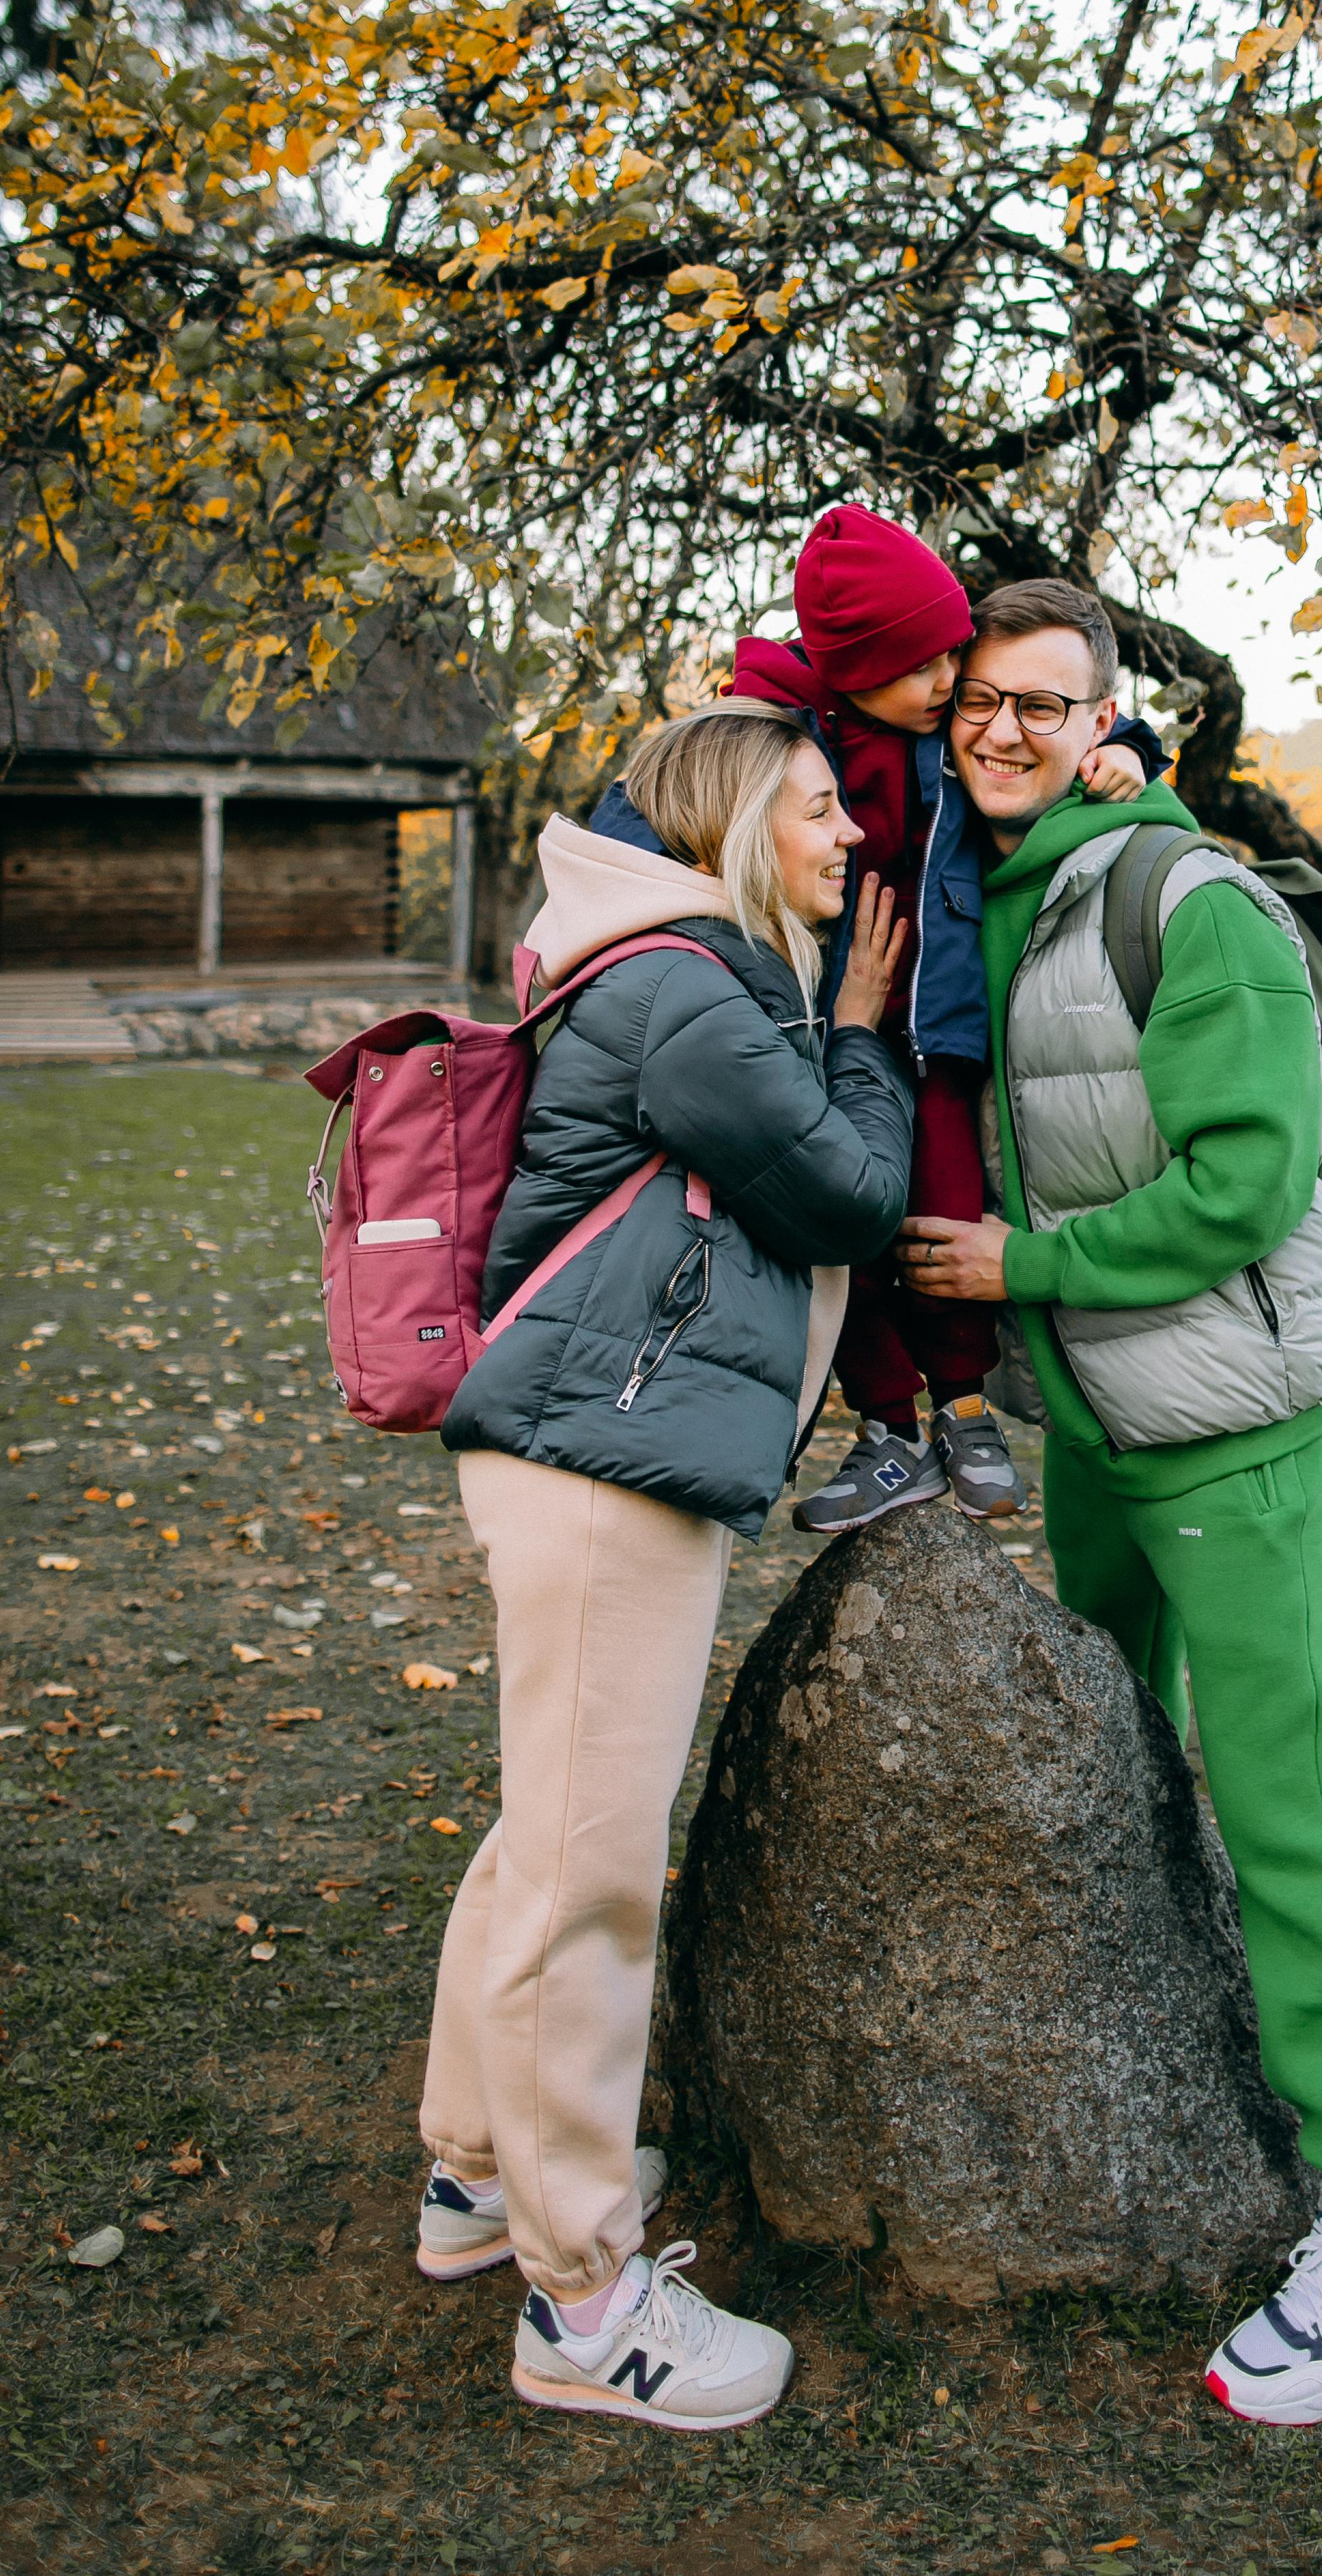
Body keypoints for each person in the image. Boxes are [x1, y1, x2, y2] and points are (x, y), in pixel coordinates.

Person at [896, 579, 1322, 2430]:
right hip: (1094, 1425)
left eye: (1046, 703)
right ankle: (1163, 2053)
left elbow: (1239, 1181)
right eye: (981, 696)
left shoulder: (1185, 900)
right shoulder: (979, 883)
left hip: (1229, 1418)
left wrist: (1016, 1270)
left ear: (1102, 719)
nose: (1004, 728)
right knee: (1118, 1753)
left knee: (1288, 1801)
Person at [421, 701, 915, 2431]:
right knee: (589, 1877)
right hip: (600, 1467)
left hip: (575, 1451)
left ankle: (480, 2171)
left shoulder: (649, 964)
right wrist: (857, 1029)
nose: (848, 837)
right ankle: (583, 2300)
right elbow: (846, 1194)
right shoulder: (691, 988)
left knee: (542, 1829)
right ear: (725, 828)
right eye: (814, 809)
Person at [586, 503, 1157, 1534]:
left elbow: (1057, 738)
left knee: (939, 1211)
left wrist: (1138, 751)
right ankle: (888, 1430)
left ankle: (966, 1410)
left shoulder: (945, 736)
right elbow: (651, 806)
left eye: (956, 659)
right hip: (820, 1022)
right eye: (931, 666)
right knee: (845, 1227)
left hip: (935, 1020)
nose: (953, 685)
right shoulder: (770, 736)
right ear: (855, 667)